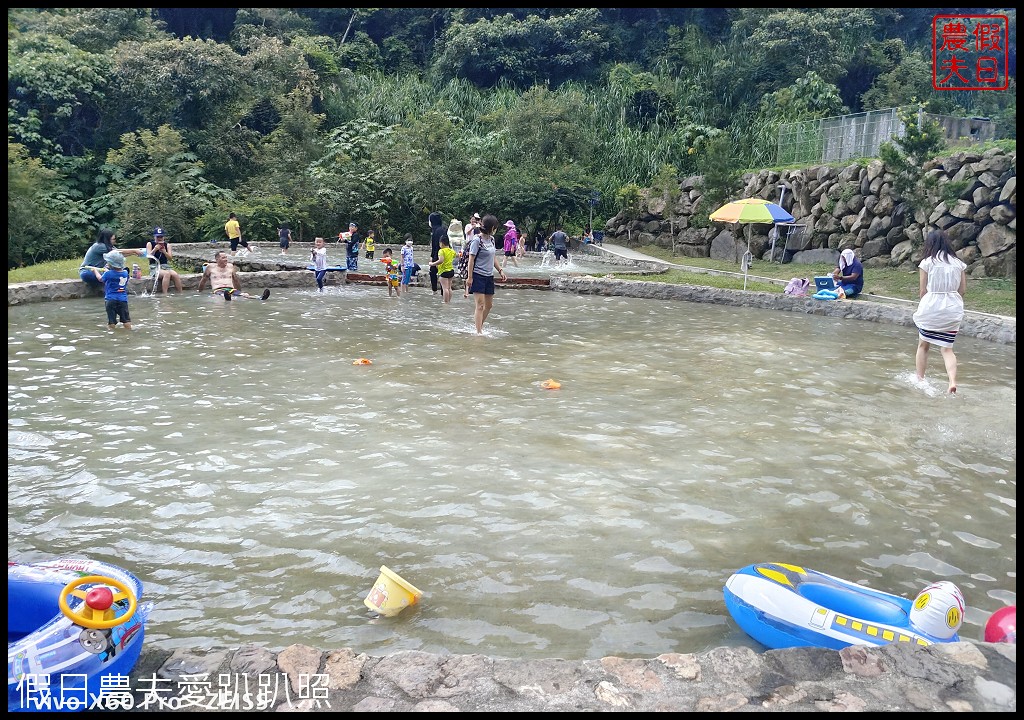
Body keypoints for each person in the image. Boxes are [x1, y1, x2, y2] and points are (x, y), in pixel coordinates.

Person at [912, 229, 967, 394]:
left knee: (923, 345)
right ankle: (952, 382)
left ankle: (920, 379)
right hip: (952, 309)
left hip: (931, 307)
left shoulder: (927, 263)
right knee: (947, 349)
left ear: (930, 244)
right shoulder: (958, 264)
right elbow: (962, 290)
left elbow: (922, 291)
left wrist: (926, 304)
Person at [465, 214, 507, 334]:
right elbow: (471, 260)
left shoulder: (492, 240)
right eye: (496, 227)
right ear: (492, 227)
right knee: (480, 305)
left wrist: (500, 270)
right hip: (478, 275)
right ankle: (478, 332)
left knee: (489, 305)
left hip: (489, 276)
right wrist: (469, 277)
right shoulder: (477, 240)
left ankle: (479, 326)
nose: (496, 230)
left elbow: (493, 257)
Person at [79, 228, 145, 286]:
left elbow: (118, 256)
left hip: (100, 271)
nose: (115, 241)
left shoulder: (108, 246)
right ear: (107, 239)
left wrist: (133, 253)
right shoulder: (99, 246)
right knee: (115, 275)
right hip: (88, 272)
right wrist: (134, 250)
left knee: (122, 271)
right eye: (113, 239)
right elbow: (117, 252)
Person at [197, 250, 269, 301]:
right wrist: (199, 292)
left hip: (230, 289)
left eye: (226, 257)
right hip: (218, 290)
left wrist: (240, 291)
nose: (226, 259)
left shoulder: (230, 266)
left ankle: (260, 298)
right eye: (223, 258)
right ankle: (228, 298)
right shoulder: (210, 267)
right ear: (217, 259)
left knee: (245, 295)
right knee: (222, 296)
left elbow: (235, 279)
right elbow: (204, 280)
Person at [91, 250, 132, 329]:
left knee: (111, 320)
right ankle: (129, 330)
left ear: (111, 264)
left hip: (110, 300)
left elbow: (101, 279)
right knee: (126, 319)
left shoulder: (108, 274)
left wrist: (95, 271)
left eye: (108, 262)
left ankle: (111, 331)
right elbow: (116, 275)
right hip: (123, 300)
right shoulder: (125, 273)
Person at [146, 227, 183, 294]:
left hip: (165, 266)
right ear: (154, 237)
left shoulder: (167, 245)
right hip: (155, 266)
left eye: (161, 237)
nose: (159, 239)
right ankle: (165, 294)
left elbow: (170, 259)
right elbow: (149, 257)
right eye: (158, 237)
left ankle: (180, 293)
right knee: (167, 274)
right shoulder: (150, 244)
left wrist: (164, 252)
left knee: (175, 274)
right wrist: (155, 249)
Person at [428, 236, 457, 303]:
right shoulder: (451, 250)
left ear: (442, 243)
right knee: (449, 288)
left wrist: (432, 264)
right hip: (451, 271)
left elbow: (441, 260)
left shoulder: (441, 251)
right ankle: (449, 301)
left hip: (444, 272)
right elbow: (457, 255)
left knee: (445, 288)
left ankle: (445, 302)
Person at [428, 211, 446, 296]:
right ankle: (443, 293)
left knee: (433, 272)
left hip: (439, 254)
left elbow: (435, 246)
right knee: (442, 273)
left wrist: (432, 257)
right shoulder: (442, 229)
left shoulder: (436, 231)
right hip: (444, 254)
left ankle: (435, 291)